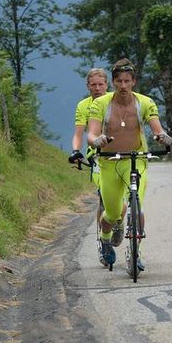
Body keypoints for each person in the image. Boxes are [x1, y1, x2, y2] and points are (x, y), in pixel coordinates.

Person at [87, 58, 171, 275]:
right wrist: (97, 140)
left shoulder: (144, 102)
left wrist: (161, 136)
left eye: (127, 81)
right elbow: (92, 132)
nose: (123, 85)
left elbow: (156, 127)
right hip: (109, 162)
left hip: (136, 159)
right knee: (113, 213)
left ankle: (135, 252)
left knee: (138, 204)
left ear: (133, 82)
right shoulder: (101, 103)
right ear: (113, 82)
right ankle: (105, 240)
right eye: (118, 81)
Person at [68, 68, 125, 265]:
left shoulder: (116, 100)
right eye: (93, 85)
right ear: (88, 86)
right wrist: (76, 150)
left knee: (123, 202)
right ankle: (104, 242)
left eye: (101, 84)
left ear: (107, 85)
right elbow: (79, 133)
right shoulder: (83, 105)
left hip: (120, 154)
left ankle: (118, 222)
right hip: (97, 158)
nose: (98, 88)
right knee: (104, 200)